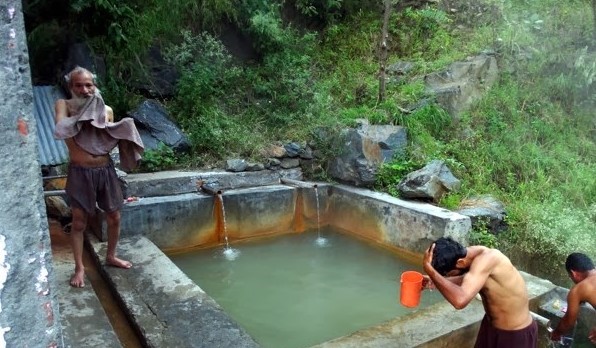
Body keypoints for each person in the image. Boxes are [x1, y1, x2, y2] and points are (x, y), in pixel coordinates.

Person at [54, 66, 144, 288]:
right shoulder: (63, 106)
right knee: (78, 222)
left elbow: (107, 135)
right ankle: (79, 267)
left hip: (105, 170)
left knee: (114, 216)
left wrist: (124, 132)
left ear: (94, 86)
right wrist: (83, 112)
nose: (84, 89)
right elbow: (61, 128)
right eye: (79, 85)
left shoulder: (106, 108)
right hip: (80, 172)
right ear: (71, 86)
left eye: (88, 85)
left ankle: (111, 256)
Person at [422, 237, 537, 347]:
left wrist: (431, 271)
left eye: (448, 274)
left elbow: (460, 301)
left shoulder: (488, 259)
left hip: (514, 334)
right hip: (490, 327)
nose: (446, 277)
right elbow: (467, 279)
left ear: (460, 263)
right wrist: (433, 281)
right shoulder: (469, 256)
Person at [550, 252, 596, 344]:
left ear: (573, 273)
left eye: (570, 277)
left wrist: (556, 333)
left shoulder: (578, 290)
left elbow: (568, 322)